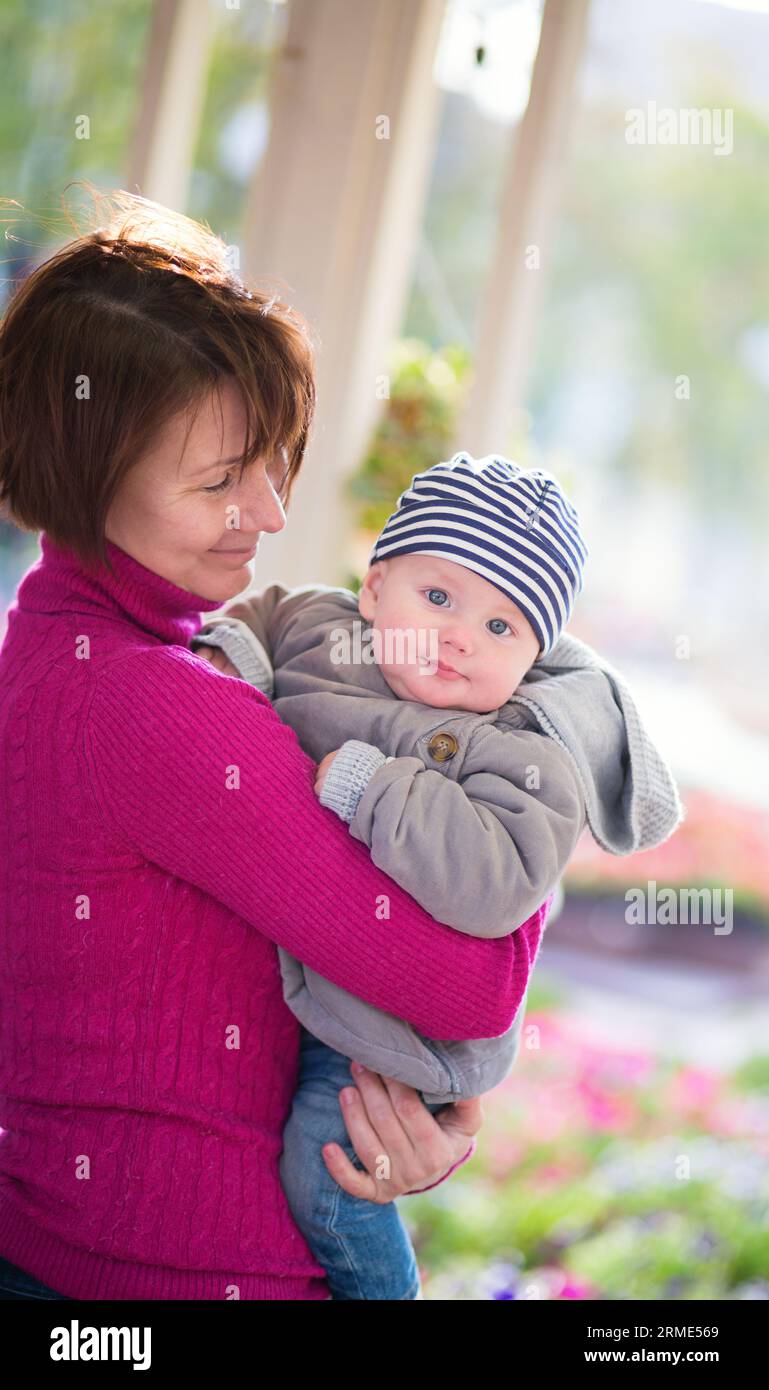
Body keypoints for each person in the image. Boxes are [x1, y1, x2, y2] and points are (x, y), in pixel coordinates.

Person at [0, 191, 548, 1301]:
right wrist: (534, 788)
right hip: (182, 1269)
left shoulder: (48, 650)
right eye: (218, 483)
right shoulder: (156, 709)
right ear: (85, 474)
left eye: (274, 461)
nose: (270, 510)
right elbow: (474, 983)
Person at [192, 452, 684, 1298]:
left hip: (387, 1043)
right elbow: (257, 617)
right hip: (290, 982)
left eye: (502, 628)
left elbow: (494, 884)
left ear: (532, 658)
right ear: (375, 587)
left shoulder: (522, 753)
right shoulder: (320, 624)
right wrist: (233, 660)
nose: (460, 635)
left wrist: (375, 788)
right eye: (439, 597)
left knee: (327, 1176)